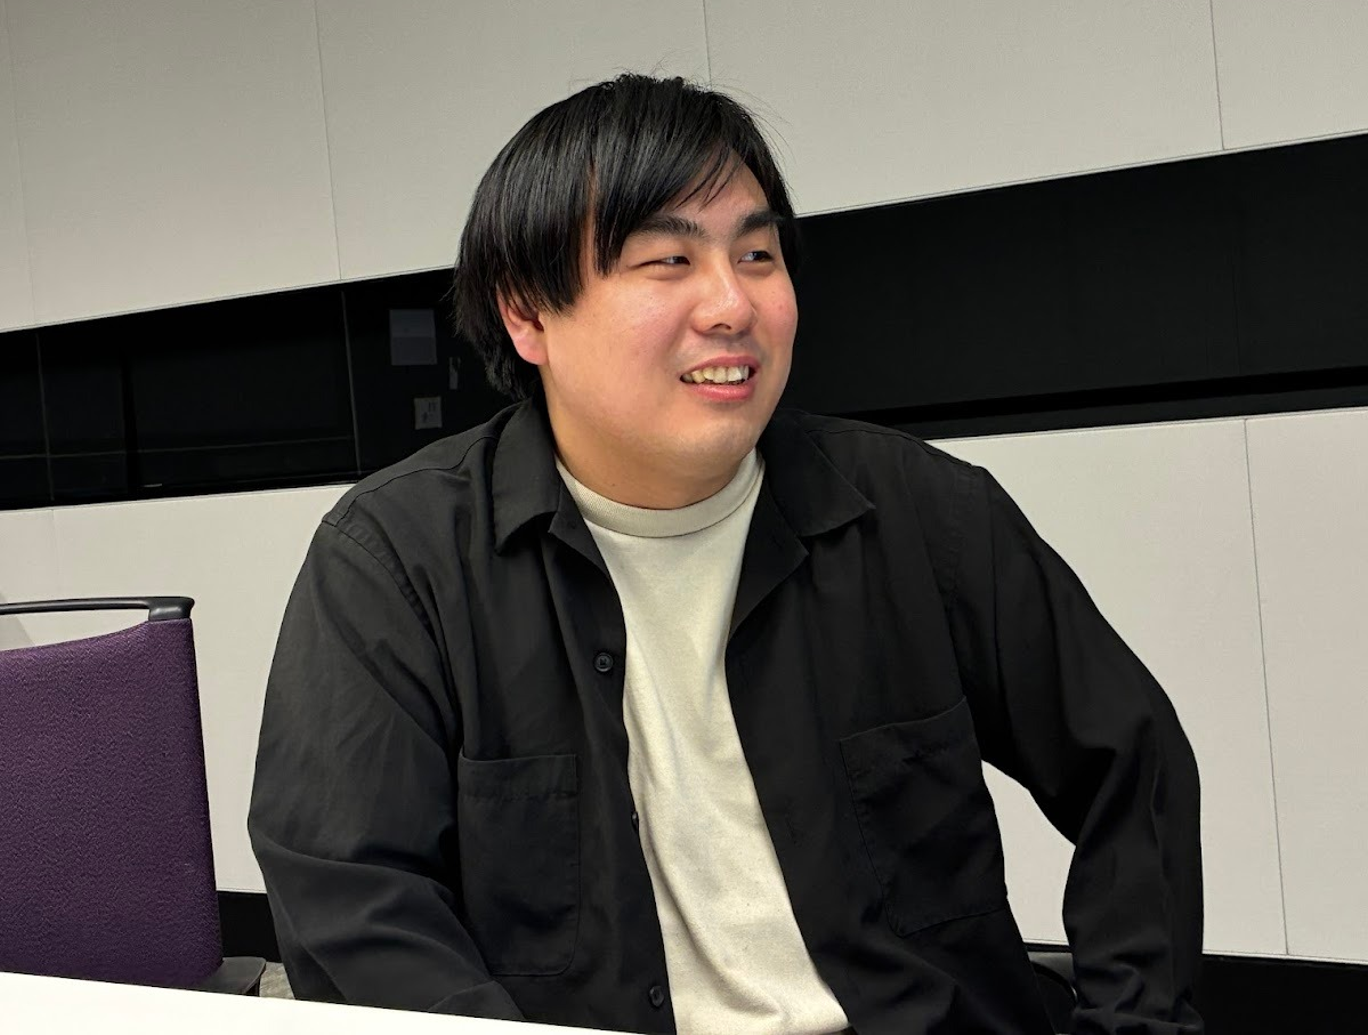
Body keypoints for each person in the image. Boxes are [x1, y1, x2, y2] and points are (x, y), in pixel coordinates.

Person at [249, 73, 1204, 1035]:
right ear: (528, 314)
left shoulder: (923, 515)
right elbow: (353, 900)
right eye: (669, 259)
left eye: (757, 254)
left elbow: (1133, 763)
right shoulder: (398, 563)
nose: (731, 303)